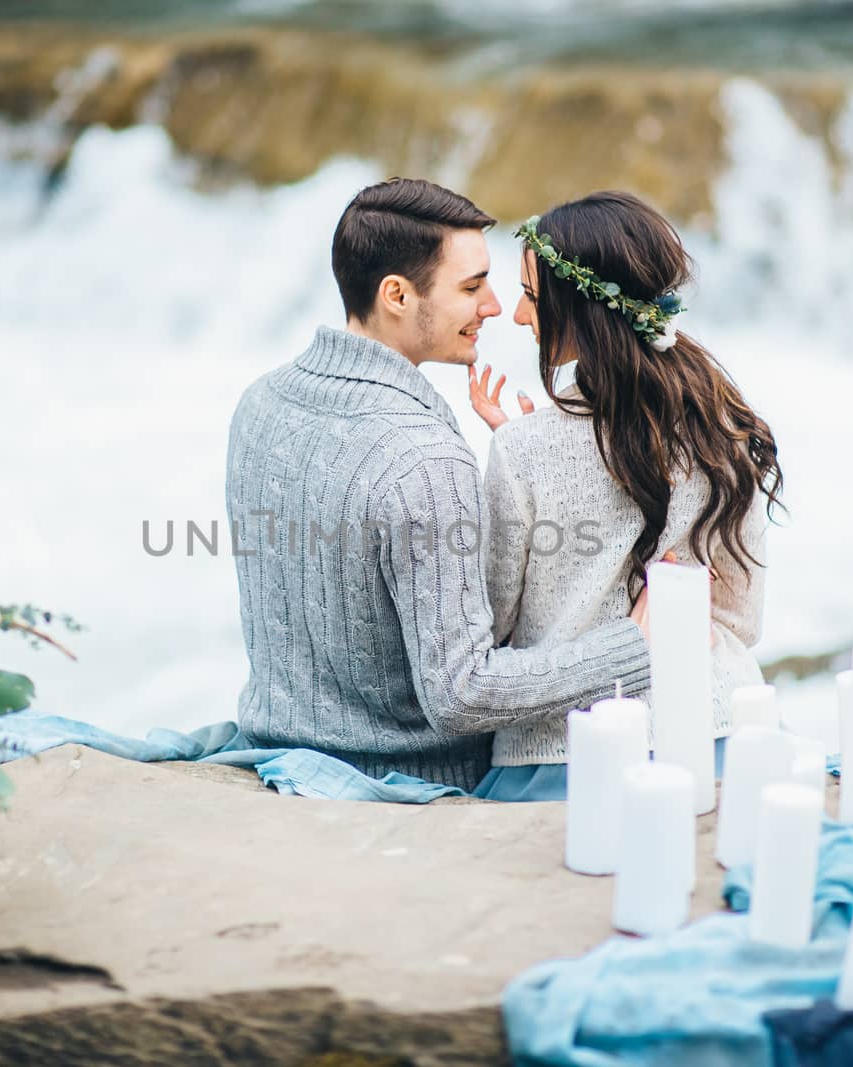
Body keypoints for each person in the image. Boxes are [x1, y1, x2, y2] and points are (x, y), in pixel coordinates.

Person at [224, 178, 652, 793]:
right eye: (472, 287)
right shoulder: (425, 457)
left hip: (276, 754)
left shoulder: (258, 403)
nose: (496, 307)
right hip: (410, 784)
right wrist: (632, 645)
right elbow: (463, 693)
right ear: (396, 294)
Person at [466, 190, 784, 801]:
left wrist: (524, 468)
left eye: (532, 298)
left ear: (580, 309)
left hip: (563, 757)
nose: (518, 317)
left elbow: (492, 627)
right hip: (721, 741)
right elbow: (741, 621)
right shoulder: (725, 430)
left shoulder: (523, 451)